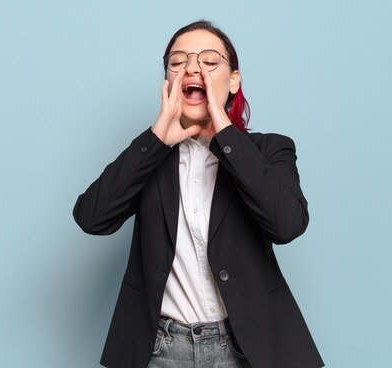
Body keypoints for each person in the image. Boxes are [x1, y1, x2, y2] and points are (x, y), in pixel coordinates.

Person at [73, 20, 324, 368]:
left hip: (248, 348)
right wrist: (157, 137)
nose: (193, 68)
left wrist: (223, 131)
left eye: (209, 61)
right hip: (160, 350)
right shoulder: (151, 158)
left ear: (233, 80)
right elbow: (92, 218)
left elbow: (287, 225)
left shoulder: (270, 149)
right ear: (168, 82)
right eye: (178, 62)